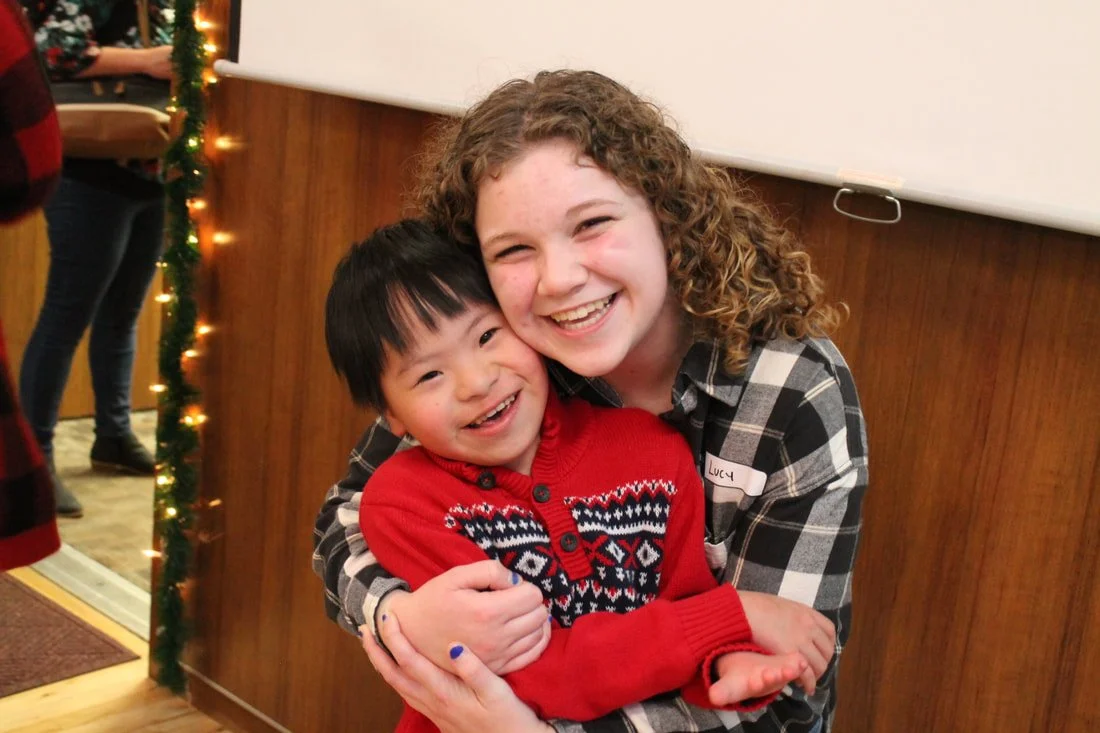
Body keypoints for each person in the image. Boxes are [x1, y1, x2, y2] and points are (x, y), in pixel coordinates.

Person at [313, 70, 868, 733]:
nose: (559, 279)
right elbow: (346, 519)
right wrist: (401, 616)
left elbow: (784, 703)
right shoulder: (507, 353)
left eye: (593, 223)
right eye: (514, 249)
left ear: (666, 213)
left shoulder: (790, 395)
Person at [325, 220, 811, 732]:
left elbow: (686, 600)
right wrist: (721, 622)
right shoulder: (404, 503)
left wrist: (725, 658)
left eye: (488, 335)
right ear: (390, 416)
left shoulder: (651, 452)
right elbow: (530, 677)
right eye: (429, 375)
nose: (477, 382)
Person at [18, 0, 175, 517]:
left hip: (150, 169)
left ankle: (113, 433)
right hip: (87, 174)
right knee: (66, 316)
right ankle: (36, 461)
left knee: (123, 314)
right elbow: (55, 51)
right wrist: (147, 60)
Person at [0, 0, 62, 569]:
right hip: (100, 177)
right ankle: (45, 440)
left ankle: (113, 430)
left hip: (136, 169)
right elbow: (30, 165)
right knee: (70, 310)